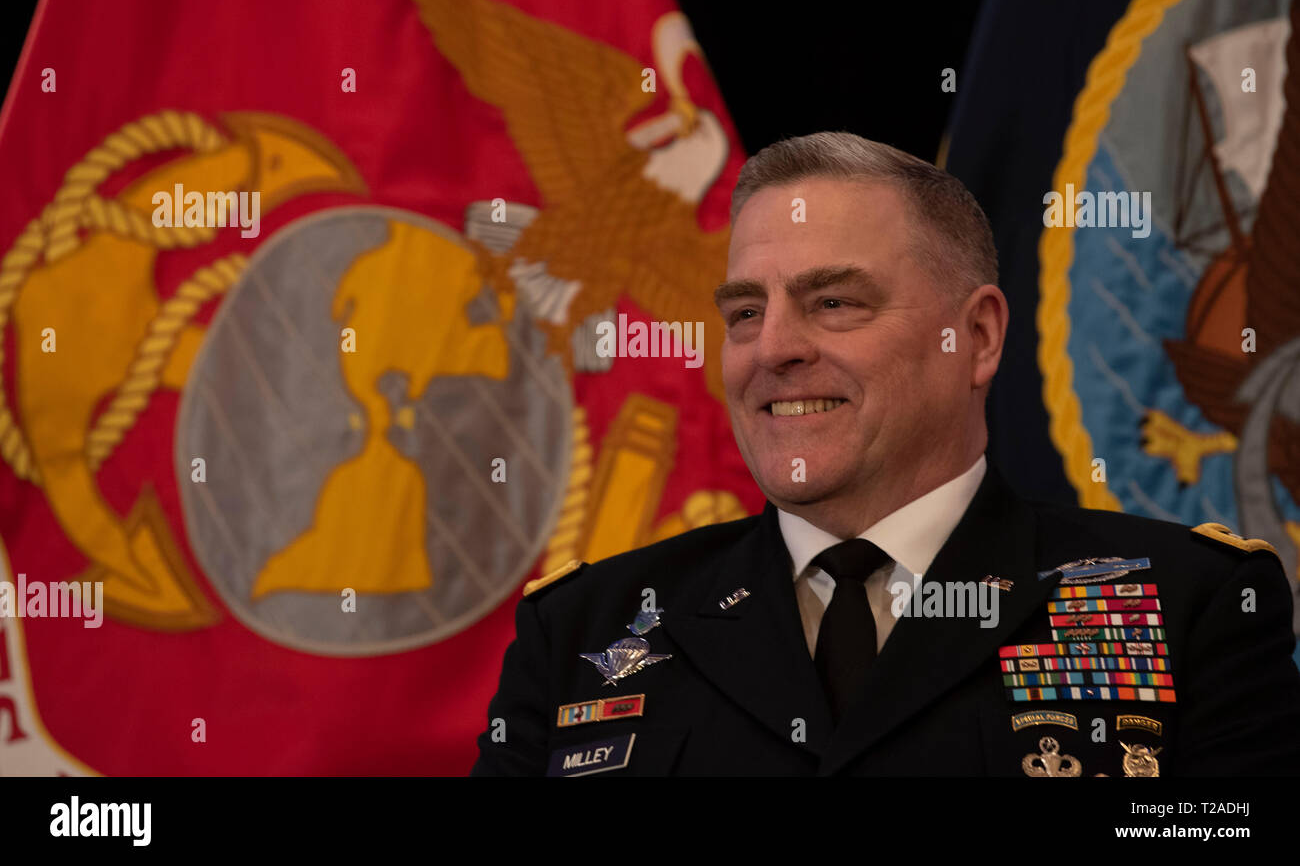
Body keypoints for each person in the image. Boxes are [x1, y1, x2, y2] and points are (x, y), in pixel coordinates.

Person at [471, 132, 1300, 776]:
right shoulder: (580, 632)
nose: (773, 349)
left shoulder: (1191, 610)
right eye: (745, 313)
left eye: (833, 301)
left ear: (975, 337)